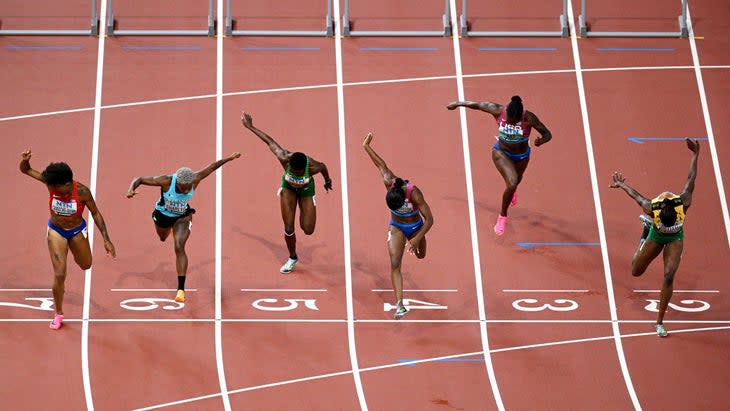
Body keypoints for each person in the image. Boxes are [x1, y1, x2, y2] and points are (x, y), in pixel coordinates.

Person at [609, 138, 700, 337]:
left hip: (675, 238)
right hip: (657, 236)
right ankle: (646, 231)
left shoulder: (683, 202)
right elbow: (636, 195)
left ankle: (659, 322)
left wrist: (695, 154)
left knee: (668, 276)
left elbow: (691, 177)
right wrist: (621, 185)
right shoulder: (652, 208)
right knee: (636, 271)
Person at [19, 149, 116, 330]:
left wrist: (106, 239)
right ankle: (58, 313)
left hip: (77, 230)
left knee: (86, 264)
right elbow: (26, 170)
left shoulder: (82, 192)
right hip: (56, 231)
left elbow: (95, 213)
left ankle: (73, 250)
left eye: (58, 187)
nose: (54, 190)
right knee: (59, 274)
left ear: (67, 183)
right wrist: (25, 161)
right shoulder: (51, 184)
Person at [126, 152, 241, 303]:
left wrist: (229, 158)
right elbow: (139, 179)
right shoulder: (166, 181)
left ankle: (181, 289)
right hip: (163, 214)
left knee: (179, 246)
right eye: (184, 188)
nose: (187, 190)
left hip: (182, 217)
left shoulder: (195, 178)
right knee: (162, 238)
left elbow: (212, 167)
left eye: (189, 187)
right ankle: (170, 229)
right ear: (177, 182)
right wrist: (131, 189)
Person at [241, 111, 332, 274]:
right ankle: (292, 257)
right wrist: (250, 127)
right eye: (294, 172)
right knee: (289, 227)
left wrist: (327, 181)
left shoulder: (312, 166)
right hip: (288, 190)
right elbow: (269, 141)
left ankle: (307, 206)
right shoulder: (284, 157)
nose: (296, 173)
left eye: (298, 172)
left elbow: (324, 166)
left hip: (306, 190)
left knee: (308, 229)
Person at [447, 96, 552, 235]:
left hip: (522, 156)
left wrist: (541, 141)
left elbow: (547, 134)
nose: (510, 122)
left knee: (517, 179)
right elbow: (478, 104)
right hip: (501, 153)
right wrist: (457, 104)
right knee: (513, 182)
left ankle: (512, 191)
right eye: (508, 119)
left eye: (513, 121)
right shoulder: (498, 110)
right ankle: (502, 216)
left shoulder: (529, 118)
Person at [362, 132, 434, 319]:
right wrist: (366, 146)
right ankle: (400, 305)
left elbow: (430, 220)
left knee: (421, 256)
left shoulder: (415, 194)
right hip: (396, 227)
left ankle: (417, 242)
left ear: (404, 197)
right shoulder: (389, 181)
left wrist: (417, 238)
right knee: (395, 263)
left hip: (416, 227)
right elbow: (380, 164)